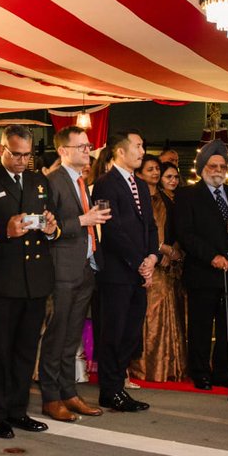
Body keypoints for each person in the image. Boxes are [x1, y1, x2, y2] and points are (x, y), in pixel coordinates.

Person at [0, 125, 60, 433]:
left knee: (24, 350)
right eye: (15, 154)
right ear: (1, 150)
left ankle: (19, 409)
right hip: (0, 282)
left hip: (34, 280)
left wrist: (50, 229)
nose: (21, 160)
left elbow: (50, 222)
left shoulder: (38, 180)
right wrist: (3, 230)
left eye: (27, 155)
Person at [175, 140, 228, 392]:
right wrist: (211, 256)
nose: (218, 170)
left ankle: (225, 372)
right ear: (202, 168)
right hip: (203, 271)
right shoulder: (188, 195)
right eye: (213, 165)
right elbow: (185, 234)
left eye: (222, 166)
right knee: (200, 326)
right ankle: (201, 372)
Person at [44, 126, 110, 421]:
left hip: (85, 266)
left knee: (72, 338)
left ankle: (68, 391)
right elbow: (47, 229)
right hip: (62, 269)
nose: (87, 150)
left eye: (88, 145)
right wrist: (84, 219)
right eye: (81, 146)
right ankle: (51, 397)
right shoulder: (53, 182)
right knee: (57, 336)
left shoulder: (83, 180)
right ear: (63, 151)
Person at [91, 129, 157, 412]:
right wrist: (139, 262)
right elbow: (113, 229)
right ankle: (110, 389)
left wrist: (153, 257)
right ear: (121, 151)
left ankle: (118, 386)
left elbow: (150, 225)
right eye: (138, 146)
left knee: (131, 334)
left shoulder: (140, 185)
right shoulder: (106, 184)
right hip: (117, 272)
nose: (142, 152)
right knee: (113, 333)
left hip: (140, 271)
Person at [129, 155, 187, 383]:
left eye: (157, 169)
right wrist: (159, 250)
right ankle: (142, 366)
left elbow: (177, 229)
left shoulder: (167, 199)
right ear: (140, 173)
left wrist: (172, 251)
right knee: (146, 314)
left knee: (166, 311)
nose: (155, 173)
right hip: (143, 262)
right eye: (150, 169)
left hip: (167, 265)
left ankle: (166, 366)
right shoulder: (135, 198)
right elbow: (136, 231)